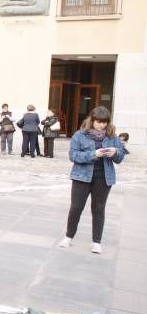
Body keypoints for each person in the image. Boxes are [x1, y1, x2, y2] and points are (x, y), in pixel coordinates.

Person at [58, 107, 125, 254]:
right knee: (76, 207)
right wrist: (93, 154)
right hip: (81, 177)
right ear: (92, 120)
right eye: (99, 122)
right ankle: (68, 237)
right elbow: (73, 156)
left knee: (99, 209)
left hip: (103, 177)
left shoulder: (113, 136)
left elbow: (120, 158)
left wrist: (115, 152)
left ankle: (96, 242)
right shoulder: (80, 135)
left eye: (104, 122)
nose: (101, 125)